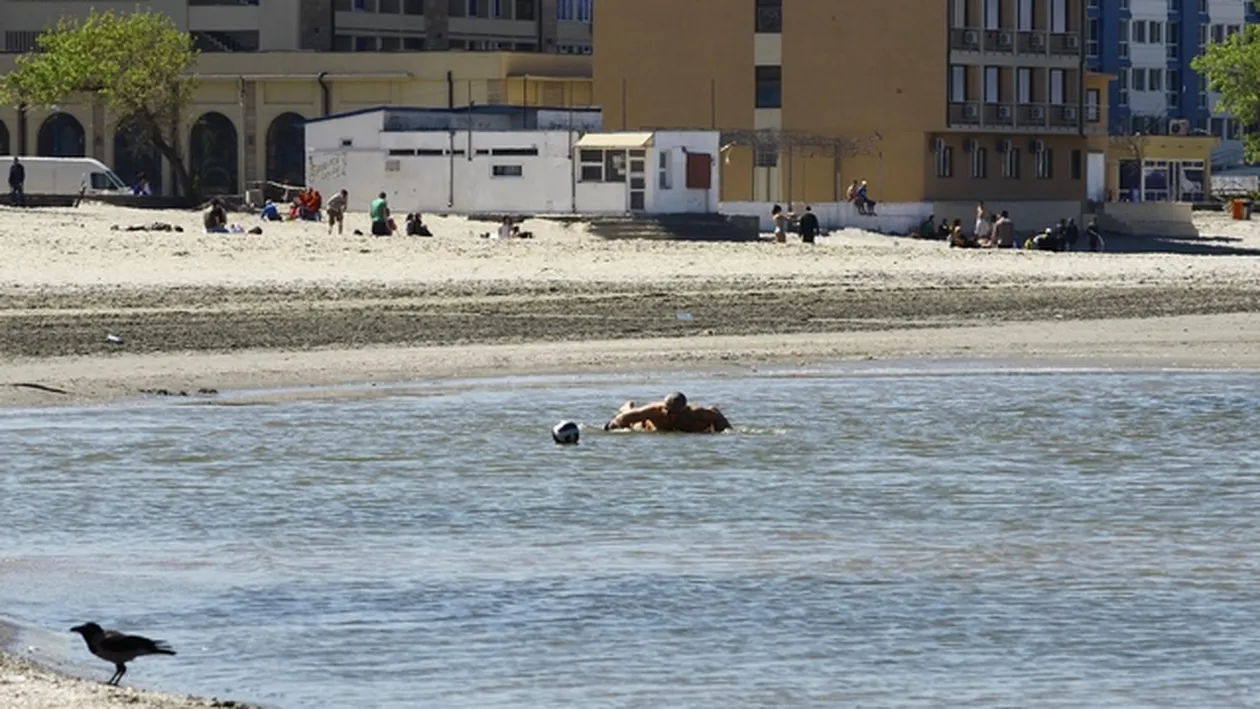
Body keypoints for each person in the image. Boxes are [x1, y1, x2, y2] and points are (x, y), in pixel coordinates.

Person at [603, 391, 732, 433]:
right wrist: (613, 428)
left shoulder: (695, 413)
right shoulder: (655, 411)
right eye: (667, 411)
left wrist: (722, 431)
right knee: (632, 418)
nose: (669, 416)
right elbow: (620, 420)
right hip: (646, 425)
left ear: (683, 410)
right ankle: (627, 406)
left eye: (674, 413)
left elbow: (716, 415)